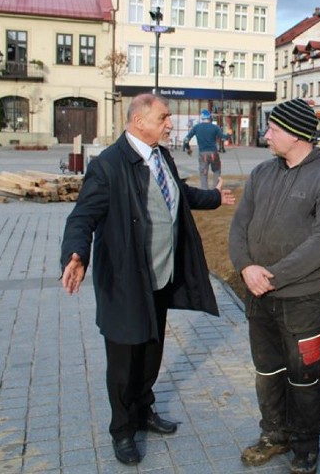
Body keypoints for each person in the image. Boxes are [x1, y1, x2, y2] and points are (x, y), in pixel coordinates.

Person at [60, 93, 235, 466]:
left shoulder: (161, 156)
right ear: (139, 121)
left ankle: (143, 410)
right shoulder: (109, 165)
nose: (170, 123)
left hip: (159, 276)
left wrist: (215, 198)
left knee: (151, 351)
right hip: (125, 281)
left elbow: (179, 194)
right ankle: (122, 430)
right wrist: (76, 254)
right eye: (164, 117)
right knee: (124, 360)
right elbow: (82, 216)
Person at [229, 98, 320, 474]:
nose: (266, 135)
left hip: (301, 300)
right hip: (258, 297)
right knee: (267, 371)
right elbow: (239, 226)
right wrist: (246, 266)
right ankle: (274, 434)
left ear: (296, 134)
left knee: (303, 377)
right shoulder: (263, 173)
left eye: (273, 129)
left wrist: (272, 276)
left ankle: (305, 444)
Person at [183, 109, 225, 189]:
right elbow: (223, 137)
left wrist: (188, 148)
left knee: (203, 174)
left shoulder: (197, 127)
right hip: (213, 153)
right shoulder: (215, 127)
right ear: (210, 118)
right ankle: (216, 190)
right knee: (216, 170)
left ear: (201, 118)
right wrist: (229, 135)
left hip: (202, 154)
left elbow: (186, 140)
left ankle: (205, 193)